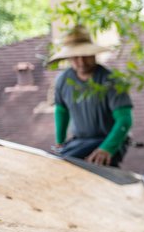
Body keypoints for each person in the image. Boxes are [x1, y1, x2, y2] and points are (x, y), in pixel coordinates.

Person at [48, 25, 134, 167]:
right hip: (80, 141)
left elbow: (124, 120)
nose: (81, 62)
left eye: (85, 56)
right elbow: (61, 111)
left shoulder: (111, 81)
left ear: (93, 54)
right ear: (69, 57)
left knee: (90, 165)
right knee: (59, 162)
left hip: (109, 140)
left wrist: (106, 148)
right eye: (76, 57)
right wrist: (60, 141)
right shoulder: (63, 80)